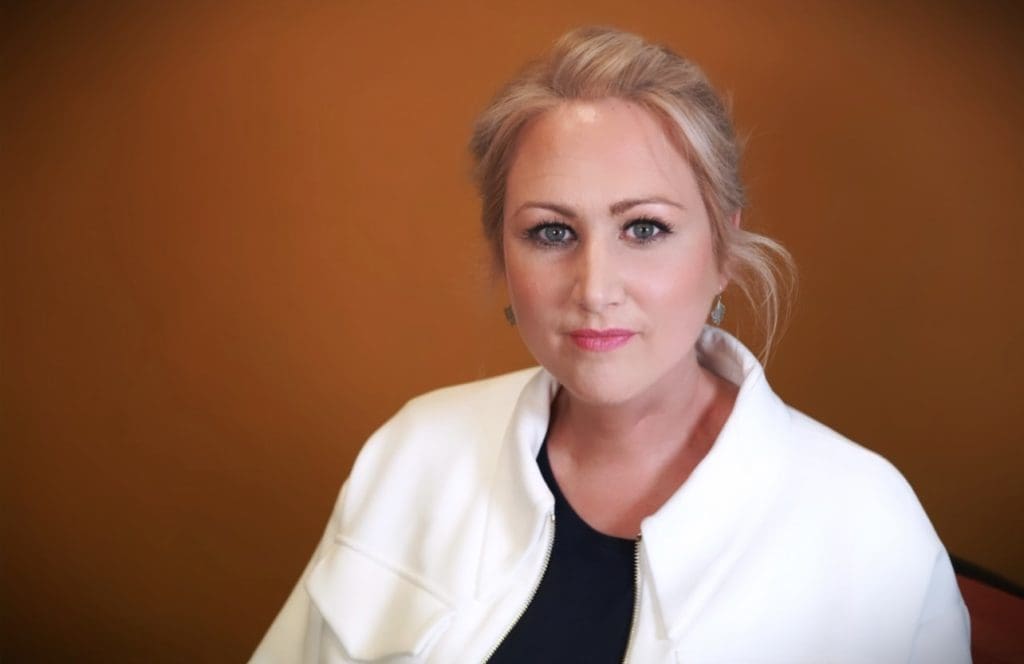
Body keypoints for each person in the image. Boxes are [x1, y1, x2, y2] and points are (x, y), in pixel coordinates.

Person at [251, 26, 971, 663]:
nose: (595, 288)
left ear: (723, 248)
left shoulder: (867, 524)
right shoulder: (414, 451)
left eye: (644, 228)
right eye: (551, 232)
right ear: (502, 255)